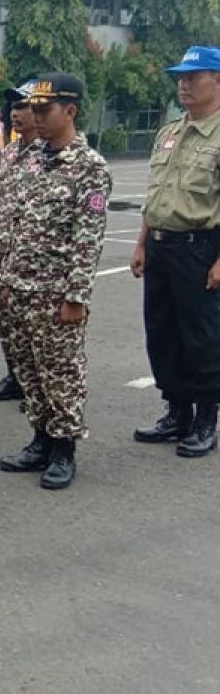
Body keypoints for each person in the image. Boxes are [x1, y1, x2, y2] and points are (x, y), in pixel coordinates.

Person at [0, 73, 110, 490]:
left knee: (61, 372)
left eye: (45, 110)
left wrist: (76, 295)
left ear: (71, 110)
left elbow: (89, 236)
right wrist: (7, 276)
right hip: (20, 286)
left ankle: (64, 448)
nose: (36, 117)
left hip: (57, 292)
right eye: (34, 109)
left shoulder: (89, 168)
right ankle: (40, 439)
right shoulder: (31, 160)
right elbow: (15, 221)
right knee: (29, 371)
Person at [132, 46, 220, 457]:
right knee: (162, 334)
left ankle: (205, 420)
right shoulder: (168, 132)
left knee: (201, 338)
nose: (183, 83)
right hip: (161, 245)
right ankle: (176, 412)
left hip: (199, 248)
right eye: (180, 77)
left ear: (217, 80)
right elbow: (156, 194)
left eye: (194, 76)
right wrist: (140, 242)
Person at [0, 83, 39, 402]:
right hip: (4, 251)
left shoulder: (50, 153)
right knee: (5, 320)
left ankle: (35, 387)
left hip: (30, 254)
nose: (16, 113)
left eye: (23, 107)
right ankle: (15, 376)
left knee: (30, 323)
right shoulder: (11, 151)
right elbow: (1, 201)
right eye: (13, 108)